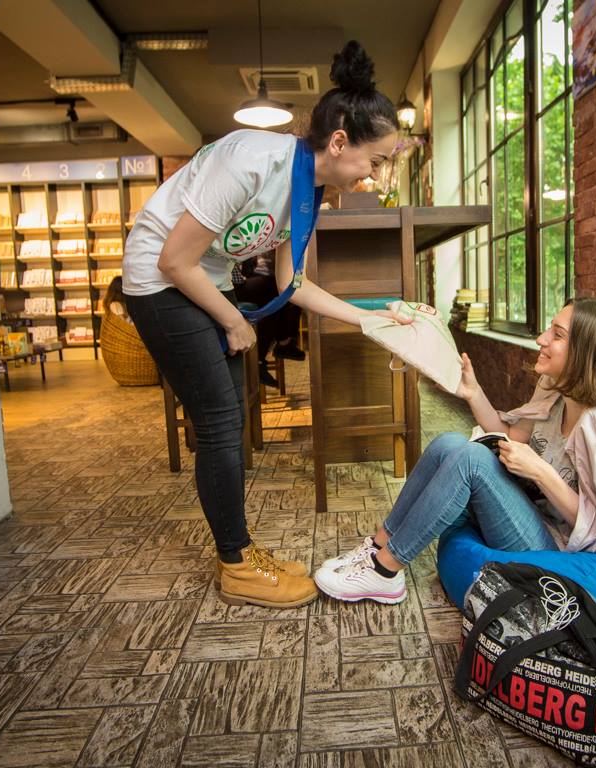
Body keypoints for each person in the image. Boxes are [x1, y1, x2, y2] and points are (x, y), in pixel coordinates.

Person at [122, 41, 408, 610]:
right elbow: (173, 260)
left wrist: (371, 317)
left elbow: (290, 284)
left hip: (201, 277)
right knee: (220, 420)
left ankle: (240, 550)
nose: (377, 175)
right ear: (339, 142)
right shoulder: (252, 160)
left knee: (228, 416)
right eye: (376, 161)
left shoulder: (308, 190)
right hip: (159, 280)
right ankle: (236, 565)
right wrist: (234, 321)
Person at [314, 297, 596, 604]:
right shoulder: (557, 390)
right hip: (534, 512)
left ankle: (385, 571)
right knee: (448, 443)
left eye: (557, 335)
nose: (541, 339)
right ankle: (378, 545)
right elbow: (509, 434)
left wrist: (540, 471)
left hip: (560, 546)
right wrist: (473, 392)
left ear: (588, 353)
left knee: (471, 460)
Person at [232, 253, 303, 389]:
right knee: (280, 289)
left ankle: (266, 357)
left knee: (290, 289)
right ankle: (282, 344)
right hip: (231, 285)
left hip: (245, 279)